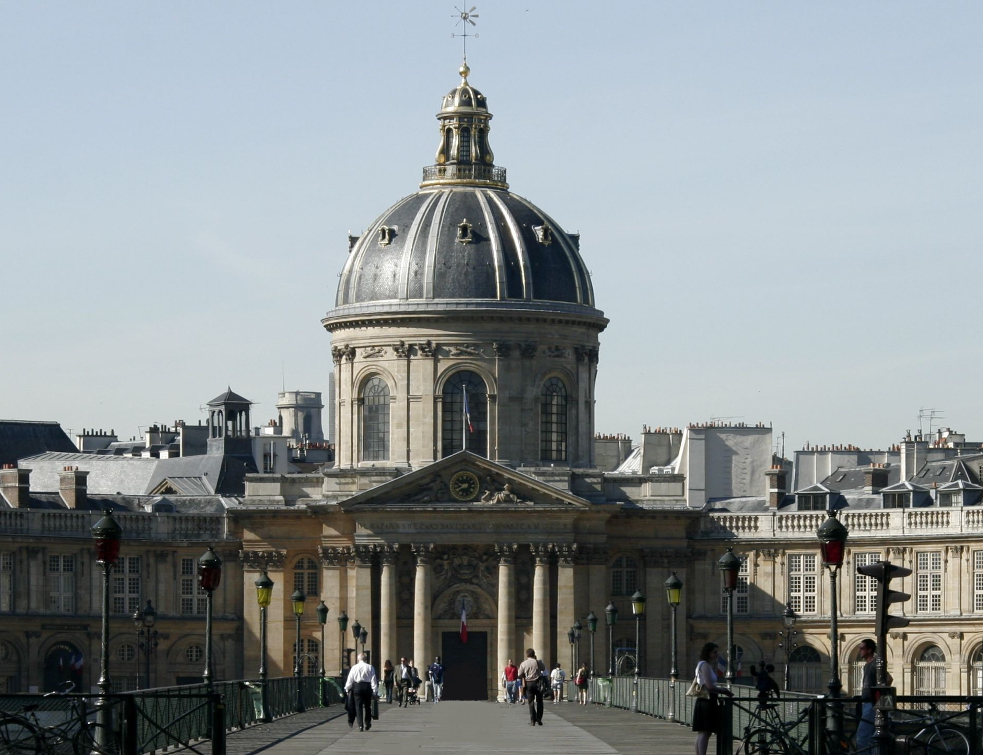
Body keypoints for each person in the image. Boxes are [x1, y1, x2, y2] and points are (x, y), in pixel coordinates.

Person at [692, 642, 733, 755]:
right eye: (714, 652)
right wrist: (723, 690)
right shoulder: (705, 665)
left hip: (703, 700)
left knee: (702, 733)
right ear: (708, 652)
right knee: (706, 732)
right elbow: (709, 686)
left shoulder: (701, 664)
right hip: (708, 701)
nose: (716, 654)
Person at [856, 638, 892, 753]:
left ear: (869, 650)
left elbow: (888, 679)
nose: (859, 651)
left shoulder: (875, 663)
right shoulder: (867, 665)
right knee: (872, 737)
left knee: (862, 736)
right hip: (868, 703)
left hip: (872, 704)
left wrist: (877, 696)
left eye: (862, 648)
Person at [344, 652, 378, 732]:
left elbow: (350, 679)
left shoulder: (354, 667)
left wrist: (347, 688)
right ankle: (367, 722)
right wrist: (375, 691)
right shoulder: (370, 667)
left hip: (357, 687)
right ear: (365, 659)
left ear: (358, 659)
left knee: (358, 706)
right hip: (367, 687)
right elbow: (373, 679)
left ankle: (360, 725)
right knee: (367, 706)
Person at [518, 648, 547, 726]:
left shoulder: (523, 663)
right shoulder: (538, 662)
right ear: (534, 654)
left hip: (529, 684)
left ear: (527, 655)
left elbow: (519, 674)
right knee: (540, 701)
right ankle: (539, 719)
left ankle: (532, 720)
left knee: (530, 702)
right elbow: (543, 669)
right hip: (538, 683)